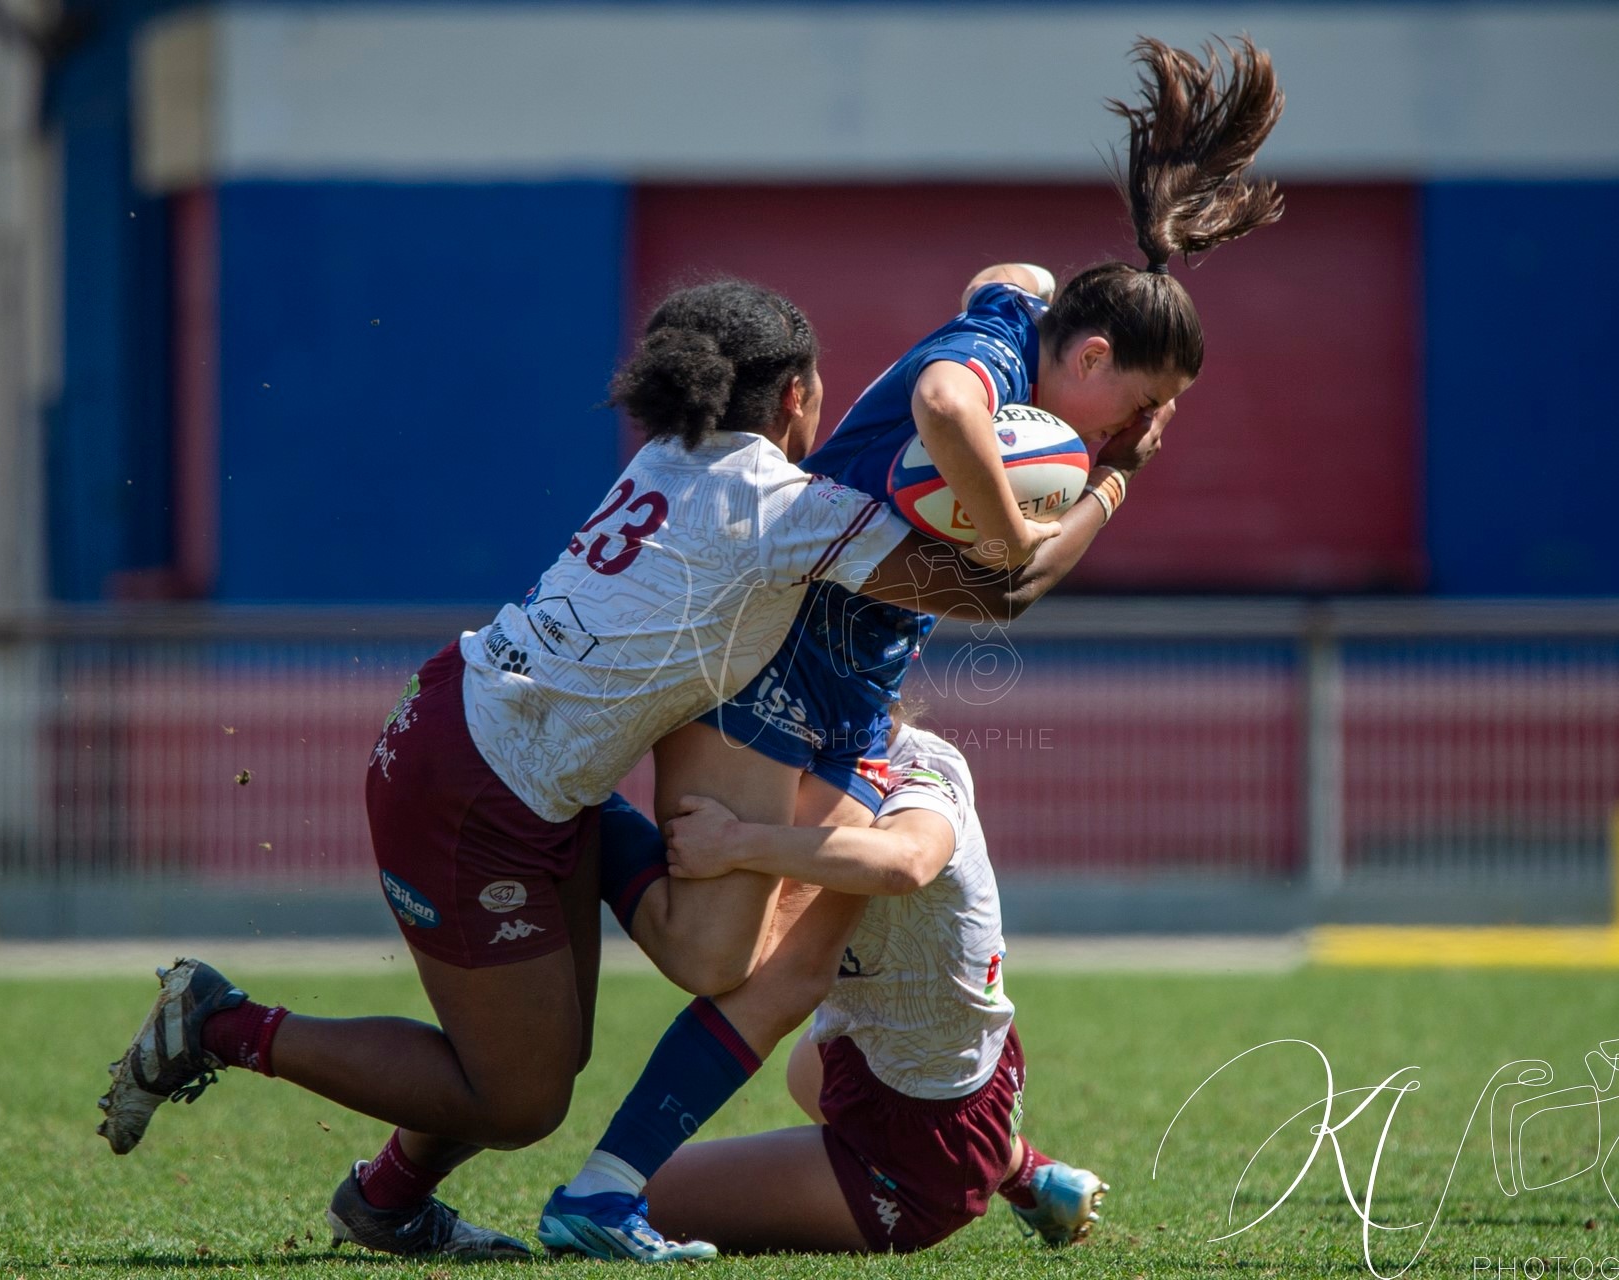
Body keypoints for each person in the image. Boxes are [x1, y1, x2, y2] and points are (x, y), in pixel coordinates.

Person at [92, 279, 1123, 1261]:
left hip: (475, 735)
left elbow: (1000, 293)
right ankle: (221, 1023)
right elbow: (1001, 591)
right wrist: (1105, 482)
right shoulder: (786, 507)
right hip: (477, 790)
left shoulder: (671, 456)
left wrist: (1018, 324)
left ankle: (389, 1200)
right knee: (520, 1096)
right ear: (796, 396)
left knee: (544, 1048)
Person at [541, 33, 1284, 1261]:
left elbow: (1012, 270)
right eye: (1142, 405)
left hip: (854, 681)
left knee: (789, 972)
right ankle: (552, 813)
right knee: (721, 952)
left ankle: (608, 1188)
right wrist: (1050, 513)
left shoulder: (1024, 317)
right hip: (778, 661)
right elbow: (966, 462)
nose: (1140, 431)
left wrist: (1079, 449)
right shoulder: (986, 371)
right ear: (1093, 358)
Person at [633, 715, 1107, 1254]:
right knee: (805, 1067)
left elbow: (907, 861)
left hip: (926, 1144)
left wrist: (735, 842)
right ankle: (1032, 1176)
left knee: (642, 1200)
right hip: (923, 1068)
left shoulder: (921, 773)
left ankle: (955, 1179)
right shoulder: (822, 770)